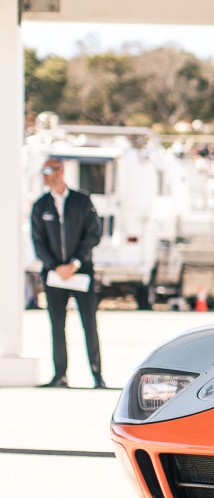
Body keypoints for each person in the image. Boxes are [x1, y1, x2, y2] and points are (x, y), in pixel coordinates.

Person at [30, 157, 105, 388]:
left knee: (89, 324)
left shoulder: (82, 201)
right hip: (54, 276)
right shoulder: (41, 205)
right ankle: (60, 375)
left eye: (49, 170)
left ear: (60, 172)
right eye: (42, 171)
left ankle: (97, 374)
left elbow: (94, 234)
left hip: (81, 273)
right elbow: (38, 242)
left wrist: (75, 263)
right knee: (57, 325)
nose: (45, 175)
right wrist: (55, 266)